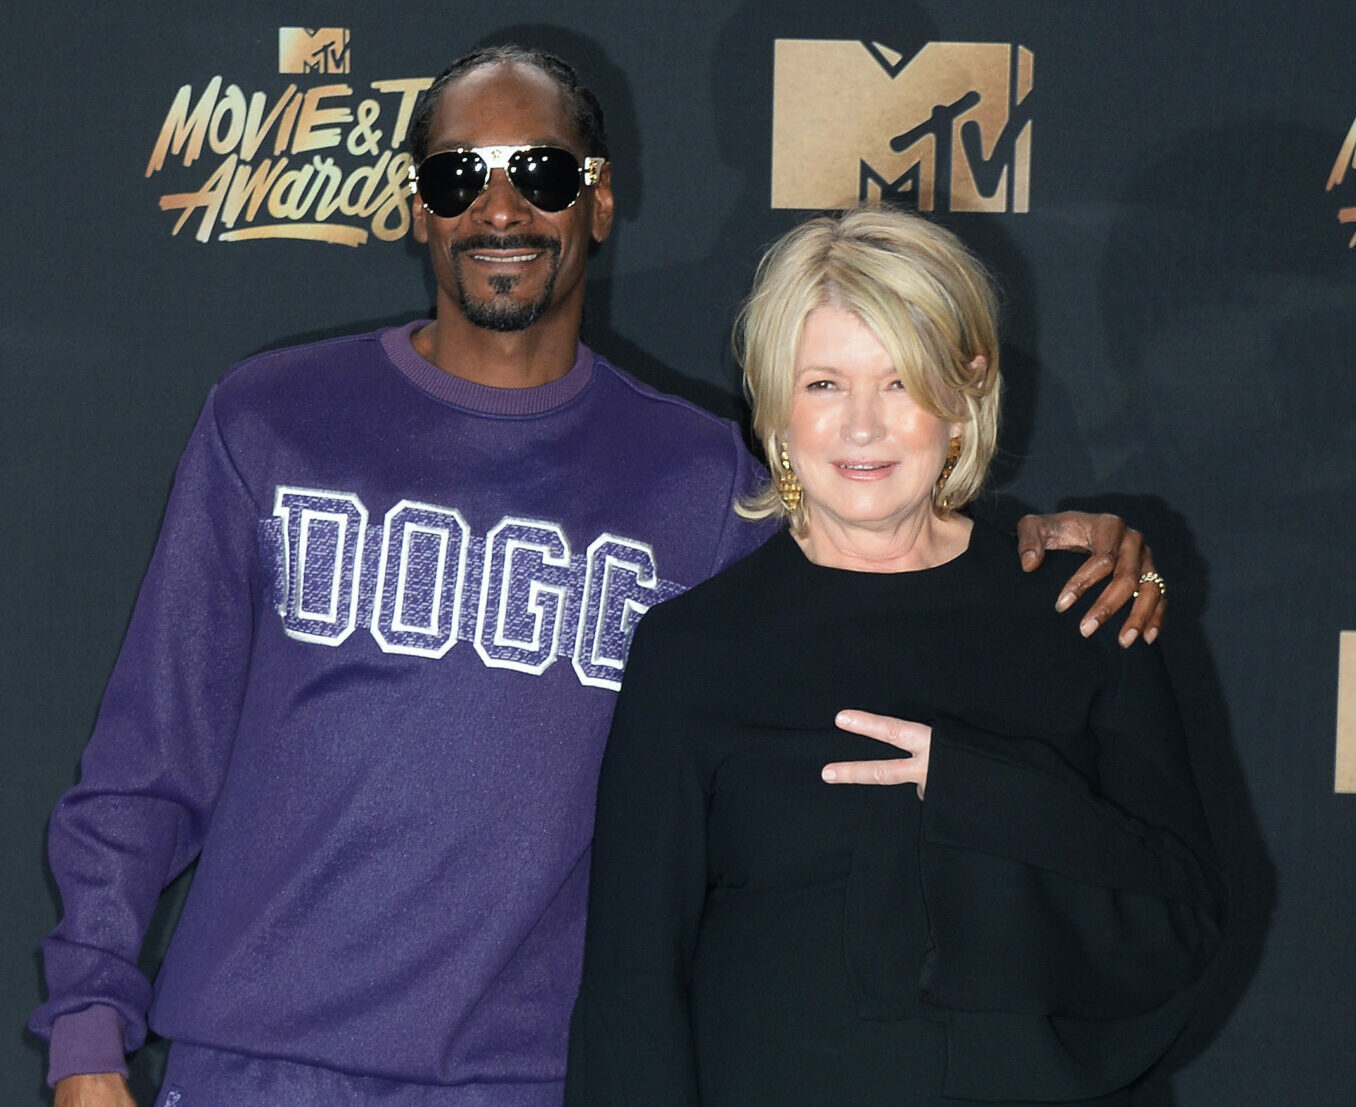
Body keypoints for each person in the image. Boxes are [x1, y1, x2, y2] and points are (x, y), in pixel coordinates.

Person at [31, 47, 1164, 1107]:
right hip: (258, 1071)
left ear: (600, 198)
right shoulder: (269, 420)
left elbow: (889, 555)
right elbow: (146, 759)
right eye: (457, 174)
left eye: (540, 170)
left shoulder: (707, 481)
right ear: (419, 205)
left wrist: (1056, 537)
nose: (501, 206)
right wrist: (87, 1031)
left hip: (534, 1078)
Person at [564, 208, 1220, 1106]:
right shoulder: (695, 651)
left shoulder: (1080, 608)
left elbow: (1177, 924)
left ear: (966, 391)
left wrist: (972, 789)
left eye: (901, 382)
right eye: (825, 383)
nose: (862, 426)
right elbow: (631, 991)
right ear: (775, 408)